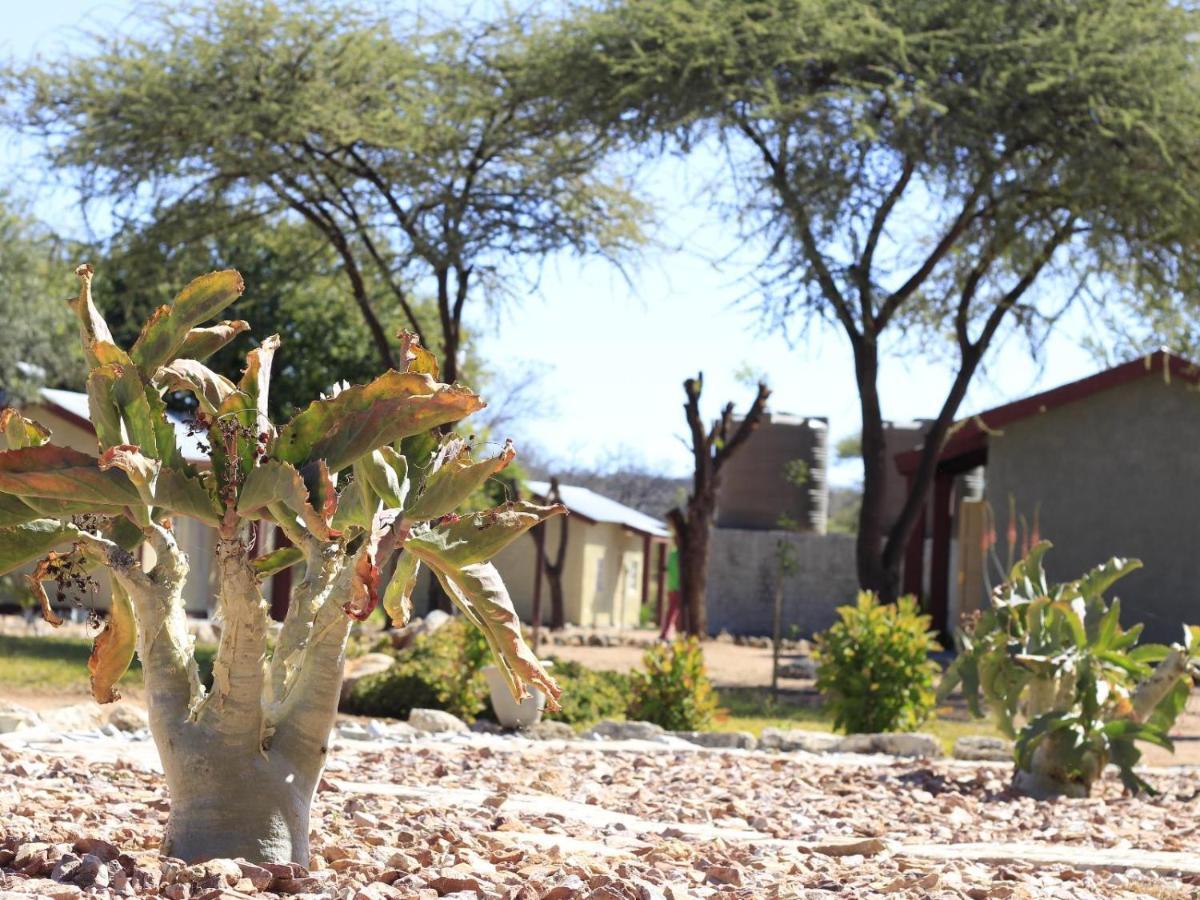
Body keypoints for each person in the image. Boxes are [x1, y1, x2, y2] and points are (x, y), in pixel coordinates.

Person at [658, 542, 682, 641]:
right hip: (678, 588)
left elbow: (667, 568)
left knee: (673, 612)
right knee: (673, 612)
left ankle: (673, 633)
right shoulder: (681, 556)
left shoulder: (672, 554)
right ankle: (665, 634)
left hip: (671, 587)